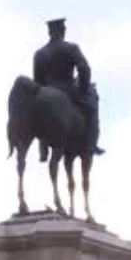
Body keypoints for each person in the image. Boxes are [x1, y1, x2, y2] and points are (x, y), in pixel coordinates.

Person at [32, 17, 104, 161]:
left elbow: (37, 81)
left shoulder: (39, 54)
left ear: (50, 32)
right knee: (91, 107)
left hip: (45, 92)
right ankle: (91, 144)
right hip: (68, 90)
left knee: (37, 113)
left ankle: (43, 148)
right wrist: (83, 88)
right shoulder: (71, 48)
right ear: (62, 31)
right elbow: (84, 69)